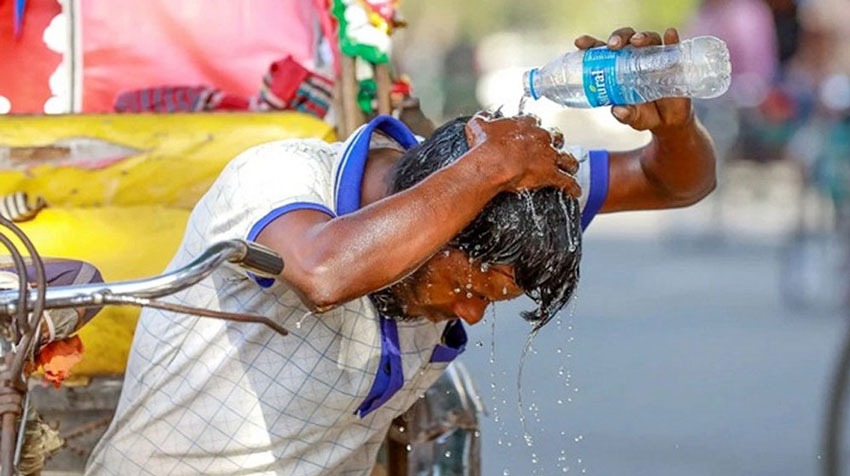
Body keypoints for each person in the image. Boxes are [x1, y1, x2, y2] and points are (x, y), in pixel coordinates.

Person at [86, 27, 717, 475]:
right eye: (472, 289)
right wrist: (485, 168)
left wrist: (674, 125)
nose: (470, 316)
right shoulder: (277, 179)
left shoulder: (510, 199)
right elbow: (325, 271)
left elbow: (676, 181)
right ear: (439, 219)